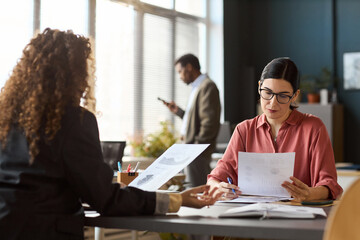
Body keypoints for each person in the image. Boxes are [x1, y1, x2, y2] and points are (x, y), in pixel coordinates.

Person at [0, 29, 220, 239]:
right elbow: (106, 199)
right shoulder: (73, 121)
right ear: (74, 75)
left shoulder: (6, 118)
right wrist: (176, 200)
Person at [207, 57, 343, 201]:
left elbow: (330, 185)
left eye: (283, 96)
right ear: (259, 87)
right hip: (251, 216)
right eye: (267, 92)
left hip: (298, 216)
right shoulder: (244, 130)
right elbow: (214, 179)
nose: (272, 103)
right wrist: (218, 187)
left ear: (295, 96)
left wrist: (310, 194)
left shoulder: (313, 128)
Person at [162, 54, 221, 187]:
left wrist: (195, 147)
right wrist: (178, 111)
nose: (180, 77)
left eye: (180, 72)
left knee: (197, 192)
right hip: (191, 150)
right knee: (190, 191)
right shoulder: (197, 87)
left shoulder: (207, 86)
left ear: (189, 67)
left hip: (196, 151)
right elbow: (195, 121)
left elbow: (209, 123)